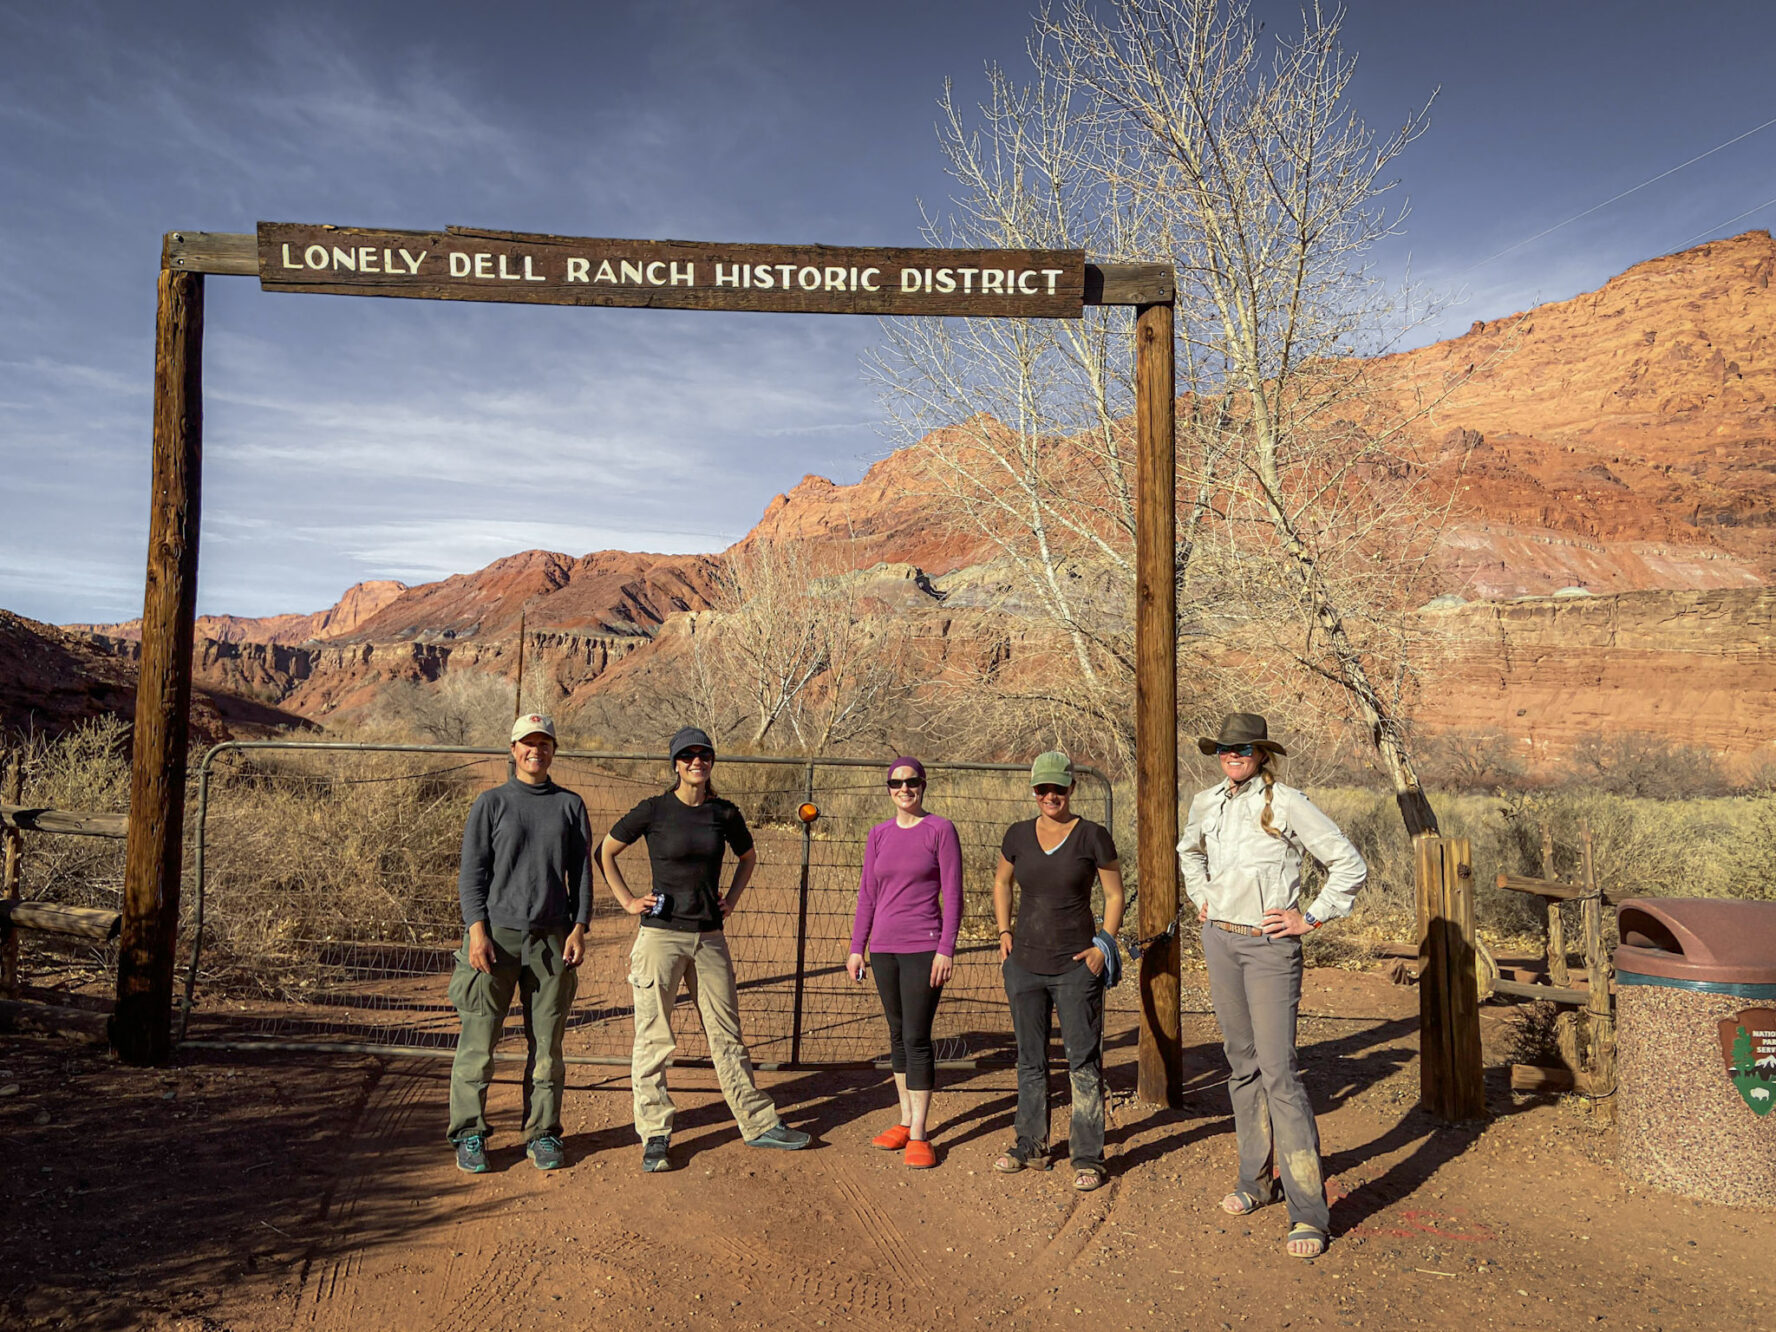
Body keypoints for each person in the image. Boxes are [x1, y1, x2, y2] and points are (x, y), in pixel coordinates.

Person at [1177, 712, 1367, 1261]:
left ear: (1261, 752)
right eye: (1224, 749)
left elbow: (1346, 863)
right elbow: (1188, 852)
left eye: (1242, 748)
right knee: (1241, 1063)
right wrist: (1201, 898)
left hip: (1268, 946)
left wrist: (1311, 917)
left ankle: (1308, 1210)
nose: (1232, 756)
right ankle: (1255, 1179)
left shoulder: (1286, 802)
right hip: (1220, 940)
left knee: (1280, 1071)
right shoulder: (1206, 802)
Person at [598, 726, 811, 1172]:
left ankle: (756, 1124)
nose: (697, 761)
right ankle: (655, 1135)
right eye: (688, 755)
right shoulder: (654, 811)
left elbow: (748, 857)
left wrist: (731, 898)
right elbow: (606, 851)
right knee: (654, 1039)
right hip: (660, 937)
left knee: (727, 1034)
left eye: (704, 755)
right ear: (675, 763)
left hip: (710, 937)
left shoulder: (724, 813)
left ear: (711, 762)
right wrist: (627, 901)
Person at [447, 712, 590, 1173]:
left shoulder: (570, 805)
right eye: (527, 743)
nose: (536, 751)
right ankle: (469, 1133)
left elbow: (582, 873)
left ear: (553, 750)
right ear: (513, 750)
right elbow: (472, 874)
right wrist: (476, 932)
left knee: (547, 1045)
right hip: (496, 940)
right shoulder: (491, 804)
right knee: (479, 1040)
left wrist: (579, 926)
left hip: (552, 939)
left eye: (544, 743)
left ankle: (543, 1132)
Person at [992, 751, 1124, 1191]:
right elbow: (1001, 883)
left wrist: (1102, 945)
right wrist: (1003, 932)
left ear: (1072, 789)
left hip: (1075, 967)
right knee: (1030, 1060)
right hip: (1024, 965)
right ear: (1033, 790)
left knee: (1082, 1062)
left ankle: (1087, 1155)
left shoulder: (1092, 837)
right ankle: (1030, 1144)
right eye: (1042, 789)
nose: (1051, 796)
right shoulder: (1017, 835)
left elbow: (1114, 895)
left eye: (1059, 789)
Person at [846, 758, 964, 1169]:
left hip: (923, 947)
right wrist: (857, 946)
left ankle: (920, 1133)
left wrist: (946, 948)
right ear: (888, 788)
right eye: (896, 783)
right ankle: (904, 1119)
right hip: (884, 949)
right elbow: (868, 895)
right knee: (897, 1034)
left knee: (916, 1035)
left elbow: (953, 894)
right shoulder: (878, 834)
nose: (904, 789)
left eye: (912, 782)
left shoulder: (941, 830)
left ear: (923, 785)